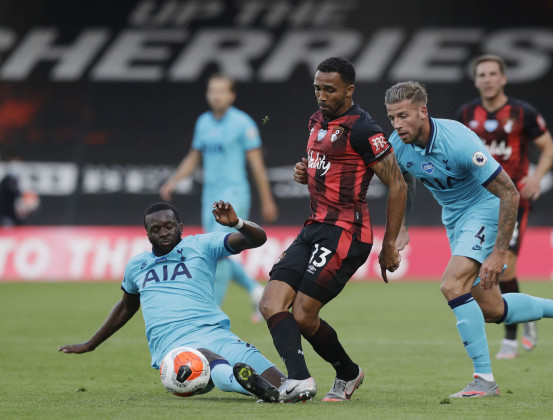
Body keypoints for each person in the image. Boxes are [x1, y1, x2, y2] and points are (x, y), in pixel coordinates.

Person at [385, 81, 553, 398]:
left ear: (422, 111)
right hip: (454, 218)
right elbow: (403, 183)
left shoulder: (458, 141)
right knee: (492, 309)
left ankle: (484, 379)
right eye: (392, 118)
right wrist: (402, 225)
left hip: (485, 207)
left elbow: (509, 192)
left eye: (403, 116)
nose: (397, 125)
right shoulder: (398, 143)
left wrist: (499, 253)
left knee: (452, 285)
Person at [259, 57, 407, 403]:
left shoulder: (364, 128)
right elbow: (323, 164)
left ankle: (347, 374)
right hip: (313, 227)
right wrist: (304, 171)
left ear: (349, 90)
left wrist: (390, 245)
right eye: (317, 88)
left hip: (346, 232)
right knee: (271, 303)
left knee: (304, 314)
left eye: (330, 89)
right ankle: (299, 380)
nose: (321, 95)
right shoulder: (316, 120)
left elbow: (398, 184)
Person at [59, 201, 284, 402]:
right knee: (206, 356)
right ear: (147, 235)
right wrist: (91, 344)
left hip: (218, 335)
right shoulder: (137, 266)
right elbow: (126, 307)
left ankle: (265, 388)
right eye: (155, 230)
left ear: (181, 227)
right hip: (175, 349)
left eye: (169, 226)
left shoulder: (201, 246)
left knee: (285, 386)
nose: (164, 232)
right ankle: (244, 385)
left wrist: (237, 223)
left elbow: (257, 239)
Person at [455, 54, 553, 359]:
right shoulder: (466, 113)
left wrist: (537, 177)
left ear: (503, 79)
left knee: (505, 264)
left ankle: (511, 337)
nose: (487, 79)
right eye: (482, 74)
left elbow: (549, 149)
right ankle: (523, 315)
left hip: (511, 200)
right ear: (476, 81)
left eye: (492, 73)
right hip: (477, 204)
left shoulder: (522, 113)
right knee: (487, 268)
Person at [160, 73, 278, 323]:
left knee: (218, 251)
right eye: (212, 91)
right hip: (209, 197)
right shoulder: (203, 122)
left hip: (234, 194)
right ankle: (256, 290)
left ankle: (212, 311)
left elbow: (256, 164)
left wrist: (267, 200)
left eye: (221, 91)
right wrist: (174, 180)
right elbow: (194, 157)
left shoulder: (243, 123)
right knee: (215, 250)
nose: (216, 96)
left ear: (232, 95)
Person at [0, 152, 39, 226]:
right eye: (13, 162)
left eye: (18, 162)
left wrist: (29, 204)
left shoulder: (21, 181)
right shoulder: (6, 181)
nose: (15, 166)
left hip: (18, 221)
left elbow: (30, 203)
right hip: (6, 219)